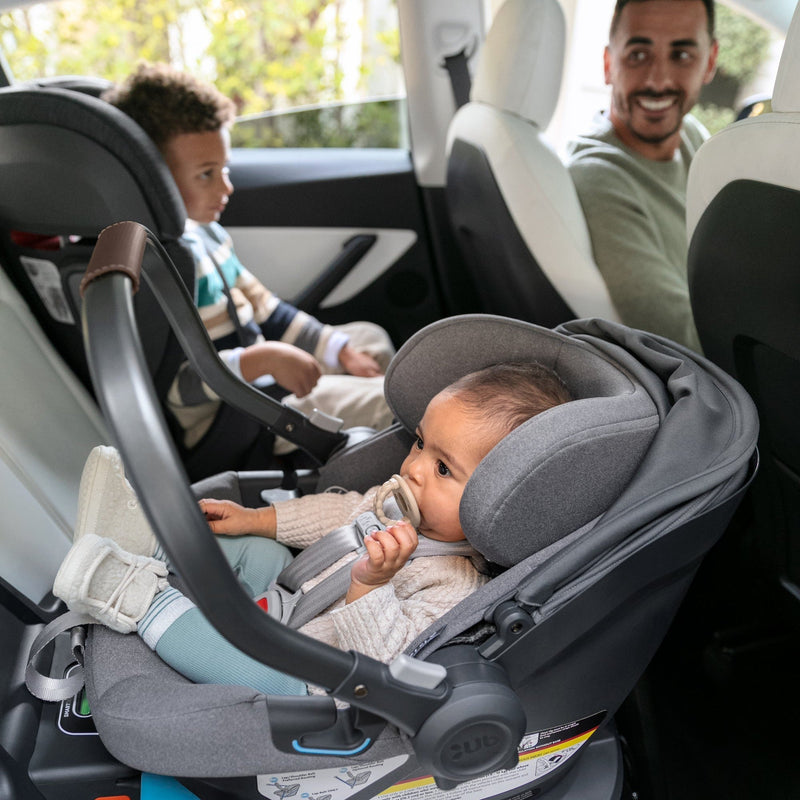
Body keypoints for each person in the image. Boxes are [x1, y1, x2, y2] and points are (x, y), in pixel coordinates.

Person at [52, 362, 572, 696]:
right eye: (419, 443)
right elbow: (338, 514)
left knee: (249, 672)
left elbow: (387, 659)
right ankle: (146, 539)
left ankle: (134, 597)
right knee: (255, 548)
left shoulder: (455, 586)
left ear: (500, 505)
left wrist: (371, 585)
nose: (414, 468)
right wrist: (258, 520)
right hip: (294, 597)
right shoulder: (401, 503)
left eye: (442, 468)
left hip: (315, 673)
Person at [102, 63, 396, 453]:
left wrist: (337, 349)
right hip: (233, 415)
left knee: (369, 340)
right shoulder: (153, 269)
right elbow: (178, 389)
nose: (226, 187)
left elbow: (266, 309)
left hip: (257, 381)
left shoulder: (206, 233)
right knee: (387, 402)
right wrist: (262, 361)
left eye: (224, 169)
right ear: (151, 180)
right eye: (206, 174)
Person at [566, 0, 719, 353]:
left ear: (709, 62)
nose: (658, 81)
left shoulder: (692, 136)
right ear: (609, 64)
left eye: (682, 55)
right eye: (638, 55)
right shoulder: (598, 177)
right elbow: (681, 341)